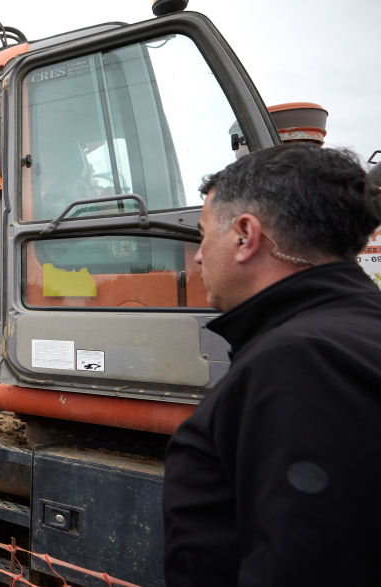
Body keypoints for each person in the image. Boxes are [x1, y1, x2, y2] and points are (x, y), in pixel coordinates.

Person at [163, 144, 381, 586]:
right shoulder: (351, 331)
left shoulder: (302, 365)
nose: (199, 256)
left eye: (203, 234)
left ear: (245, 235)